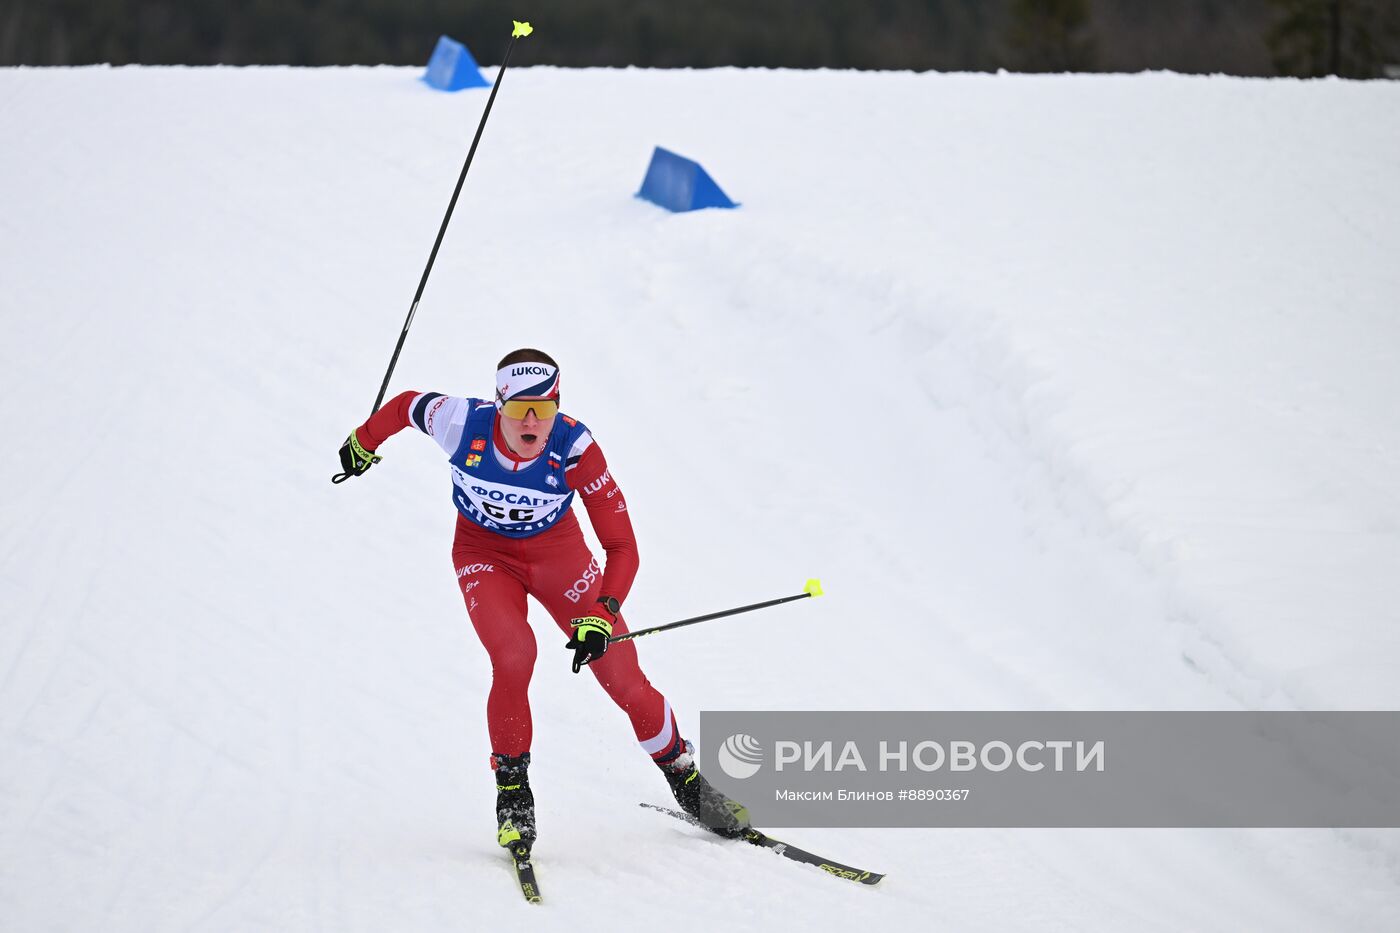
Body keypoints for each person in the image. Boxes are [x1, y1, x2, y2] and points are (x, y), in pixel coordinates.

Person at [336, 348, 748, 853]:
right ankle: (513, 794)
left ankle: (684, 776)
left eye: (545, 409)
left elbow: (623, 546)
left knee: (623, 677)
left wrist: (602, 613)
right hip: (484, 554)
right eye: (518, 409)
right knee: (514, 657)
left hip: (559, 557)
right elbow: (404, 406)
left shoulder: (575, 447)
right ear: (498, 404)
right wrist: (363, 441)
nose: (531, 422)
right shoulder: (460, 423)